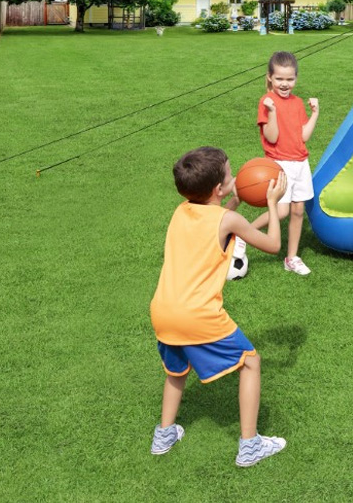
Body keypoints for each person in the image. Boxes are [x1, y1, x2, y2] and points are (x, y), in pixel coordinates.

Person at [149, 146, 290, 465]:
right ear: (218, 188)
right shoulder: (230, 220)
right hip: (198, 314)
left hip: (163, 310)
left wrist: (234, 198)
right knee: (250, 362)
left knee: (176, 371)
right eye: (229, 173)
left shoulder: (182, 211)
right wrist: (271, 202)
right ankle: (250, 445)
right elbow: (272, 245)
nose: (234, 175)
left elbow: (212, 220)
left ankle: (164, 434)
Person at [237, 51, 320, 276]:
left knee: (298, 211)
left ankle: (291, 258)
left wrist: (315, 113)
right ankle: (243, 233)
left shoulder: (298, 103)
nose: (285, 84)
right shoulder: (266, 102)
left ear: (296, 78)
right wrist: (272, 111)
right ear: (270, 78)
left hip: (301, 163)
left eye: (290, 79)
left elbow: (303, 136)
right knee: (282, 211)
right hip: (279, 165)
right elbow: (271, 137)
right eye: (280, 79)